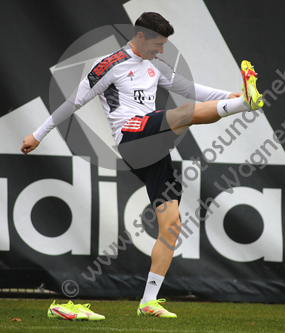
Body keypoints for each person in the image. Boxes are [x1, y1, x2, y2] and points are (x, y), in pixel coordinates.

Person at [21, 12, 263, 318]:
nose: (160, 51)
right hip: (131, 137)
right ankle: (245, 105)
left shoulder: (155, 65)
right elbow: (72, 103)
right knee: (184, 113)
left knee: (172, 226)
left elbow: (191, 89)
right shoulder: (108, 66)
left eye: (163, 45)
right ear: (139, 37)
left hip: (153, 148)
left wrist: (231, 94)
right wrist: (37, 135)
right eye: (157, 44)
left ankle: (148, 302)